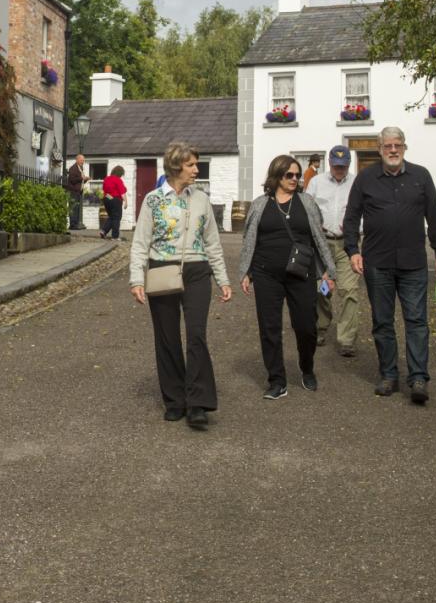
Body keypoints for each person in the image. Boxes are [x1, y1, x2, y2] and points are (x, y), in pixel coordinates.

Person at [342, 126, 436, 405]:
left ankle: (418, 378)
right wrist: (352, 250)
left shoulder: (421, 176)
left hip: (413, 263)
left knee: (417, 322)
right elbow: (352, 217)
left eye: (398, 145)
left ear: (404, 148)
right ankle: (388, 374)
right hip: (377, 263)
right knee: (382, 323)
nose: (393, 150)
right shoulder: (365, 179)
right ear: (379, 150)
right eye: (387, 145)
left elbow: (435, 217)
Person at [128, 142, 232, 429]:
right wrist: (137, 278)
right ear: (176, 167)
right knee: (167, 336)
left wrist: (222, 278)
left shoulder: (201, 200)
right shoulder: (152, 200)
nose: (196, 170)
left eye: (196, 164)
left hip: (197, 271)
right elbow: (140, 243)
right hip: (162, 269)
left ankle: (198, 403)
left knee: (197, 334)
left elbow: (212, 242)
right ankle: (175, 400)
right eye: (191, 165)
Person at [236, 154, 338, 399]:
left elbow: (317, 237)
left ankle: (307, 367)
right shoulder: (260, 204)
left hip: (300, 273)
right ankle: (277, 380)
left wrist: (327, 270)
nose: (294, 179)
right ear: (276, 176)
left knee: (306, 327)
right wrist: (246, 271)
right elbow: (250, 239)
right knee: (269, 327)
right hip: (265, 274)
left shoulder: (306, 202)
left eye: (297, 175)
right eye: (288, 175)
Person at [308, 145, 359, 358]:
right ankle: (321, 328)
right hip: (322, 243)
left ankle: (346, 339)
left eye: (344, 166)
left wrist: (358, 227)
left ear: (349, 164)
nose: (340, 170)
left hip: (348, 244)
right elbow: (307, 208)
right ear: (329, 164)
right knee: (322, 289)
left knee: (349, 291)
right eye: (336, 166)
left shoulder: (357, 182)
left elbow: (364, 210)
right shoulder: (316, 183)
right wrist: (314, 225)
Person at [101, 165, 127, 239]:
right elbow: (122, 192)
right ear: (120, 173)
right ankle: (115, 236)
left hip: (106, 199)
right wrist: (126, 202)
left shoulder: (106, 179)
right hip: (115, 200)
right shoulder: (118, 180)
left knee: (111, 216)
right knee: (116, 218)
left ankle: (104, 231)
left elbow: (104, 190)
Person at [65, 153, 87, 230]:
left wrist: (85, 179)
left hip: (78, 192)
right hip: (72, 191)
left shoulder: (80, 168)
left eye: (83, 160)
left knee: (77, 208)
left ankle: (76, 224)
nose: (82, 162)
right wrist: (82, 178)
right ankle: (73, 225)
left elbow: (79, 181)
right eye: (81, 160)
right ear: (77, 160)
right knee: (73, 208)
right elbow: (72, 180)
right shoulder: (73, 168)